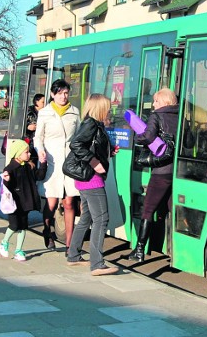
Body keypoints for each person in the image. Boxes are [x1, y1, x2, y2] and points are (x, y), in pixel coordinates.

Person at [66, 94, 119, 275]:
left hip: (85, 179)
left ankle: (73, 255)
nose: (110, 110)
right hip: (91, 178)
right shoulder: (91, 124)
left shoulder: (93, 124)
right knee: (101, 219)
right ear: (100, 108)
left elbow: (90, 145)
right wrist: (95, 161)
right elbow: (76, 144)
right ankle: (97, 264)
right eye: (107, 107)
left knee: (87, 218)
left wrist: (108, 151)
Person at [127, 88, 178, 262]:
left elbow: (148, 137)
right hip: (178, 171)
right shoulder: (181, 116)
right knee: (173, 209)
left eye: (156, 101)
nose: (153, 104)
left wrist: (137, 137)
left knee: (148, 209)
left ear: (163, 102)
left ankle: (139, 251)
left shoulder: (157, 116)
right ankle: (176, 250)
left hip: (161, 171)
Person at [34, 79, 81, 251]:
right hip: (52, 162)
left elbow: (79, 137)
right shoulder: (45, 113)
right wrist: (40, 150)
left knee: (69, 202)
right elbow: (38, 137)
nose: (63, 96)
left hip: (70, 163)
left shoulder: (75, 112)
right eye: (60, 93)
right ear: (53, 94)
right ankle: (47, 231)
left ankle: (70, 245)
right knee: (51, 204)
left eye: (66, 93)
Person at [0, 139, 47, 261]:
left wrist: (43, 163)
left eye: (29, 152)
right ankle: (4, 242)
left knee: (23, 226)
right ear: (17, 153)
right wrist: (7, 179)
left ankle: (19, 250)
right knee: (14, 225)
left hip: (25, 202)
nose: (29, 154)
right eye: (26, 152)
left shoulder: (29, 166)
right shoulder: (10, 168)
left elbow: (39, 176)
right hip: (14, 203)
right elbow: (6, 186)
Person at [24, 93, 45, 161]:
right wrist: (28, 127)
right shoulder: (28, 111)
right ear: (36, 102)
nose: (45, 104)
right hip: (30, 141)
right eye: (43, 102)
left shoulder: (47, 112)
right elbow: (18, 124)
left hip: (42, 140)